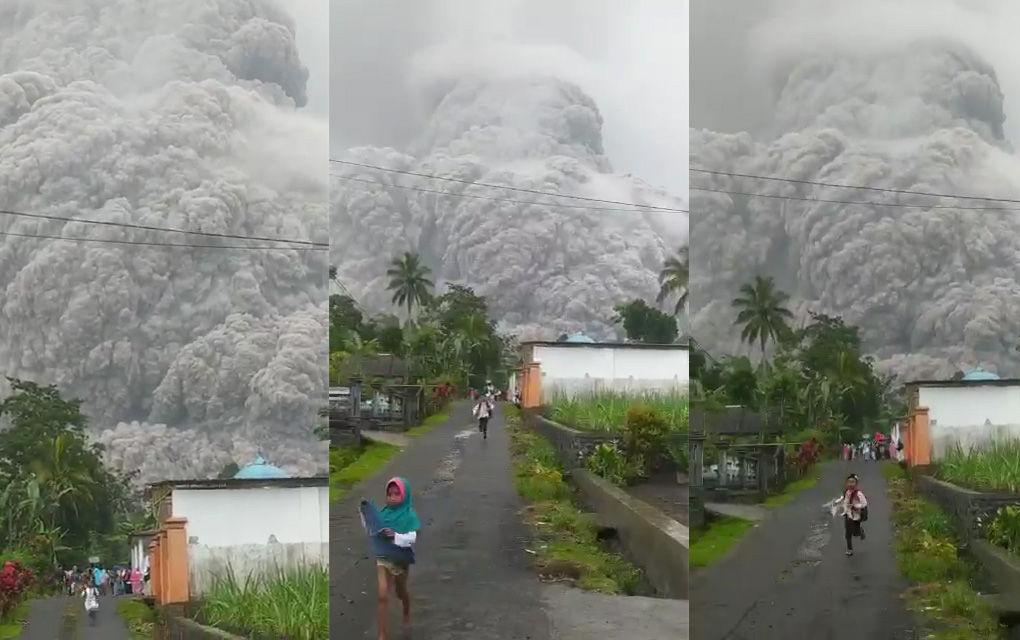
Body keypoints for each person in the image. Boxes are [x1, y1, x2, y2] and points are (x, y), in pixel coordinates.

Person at [375, 477, 420, 640]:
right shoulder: (382, 514)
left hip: (400, 558)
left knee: (401, 592)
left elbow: (412, 537)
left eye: (397, 494)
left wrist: (396, 536)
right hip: (383, 557)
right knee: (382, 594)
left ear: (405, 496)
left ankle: (406, 610)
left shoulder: (409, 516)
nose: (392, 498)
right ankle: (381, 635)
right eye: (390, 494)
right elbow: (372, 529)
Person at [842, 473, 869, 556]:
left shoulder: (858, 494)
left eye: (852, 482)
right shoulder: (846, 492)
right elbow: (845, 501)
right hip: (848, 515)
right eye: (849, 482)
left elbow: (864, 504)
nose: (850, 484)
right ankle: (849, 549)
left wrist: (855, 506)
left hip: (856, 516)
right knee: (848, 533)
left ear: (856, 483)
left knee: (855, 533)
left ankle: (860, 532)